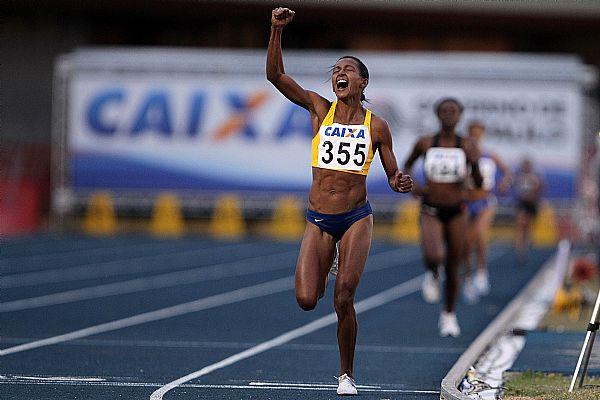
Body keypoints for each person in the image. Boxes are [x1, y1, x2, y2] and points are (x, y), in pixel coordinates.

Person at [266, 7, 413, 396]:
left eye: (347, 68)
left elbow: (391, 168)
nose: (339, 72)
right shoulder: (319, 108)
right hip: (318, 218)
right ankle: (326, 258)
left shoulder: (376, 125)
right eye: (335, 69)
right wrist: (275, 31)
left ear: (362, 82)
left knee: (343, 297)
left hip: (355, 218)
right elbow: (276, 76)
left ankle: (345, 374)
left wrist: (397, 179)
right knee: (305, 301)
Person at [403, 98, 481, 337]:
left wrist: (473, 172)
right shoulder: (426, 142)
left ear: (460, 116)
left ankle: (448, 315)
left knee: (454, 264)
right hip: (431, 208)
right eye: (444, 111)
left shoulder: (466, 145)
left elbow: (478, 180)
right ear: (437, 114)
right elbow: (406, 168)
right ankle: (432, 272)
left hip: (457, 210)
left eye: (453, 111)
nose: (448, 115)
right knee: (434, 254)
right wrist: (415, 187)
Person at [462, 121, 512, 304]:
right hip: (467, 201)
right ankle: (467, 278)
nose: (475, 137)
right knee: (466, 242)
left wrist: (504, 184)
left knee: (480, 235)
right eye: (472, 133)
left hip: (485, 201)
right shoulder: (463, 155)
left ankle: (481, 272)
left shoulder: (490, 156)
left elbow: (507, 173)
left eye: (478, 134)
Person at [514, 158, 544, 262]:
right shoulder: (520, 177)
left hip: (531, 204)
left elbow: (540, 188)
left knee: (528, 227)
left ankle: (527, 243)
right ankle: (521, 250)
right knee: (521, 226)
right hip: (522, 204)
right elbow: (517, 190)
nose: (526, 167)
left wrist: (534, 195)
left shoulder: (534, 177)